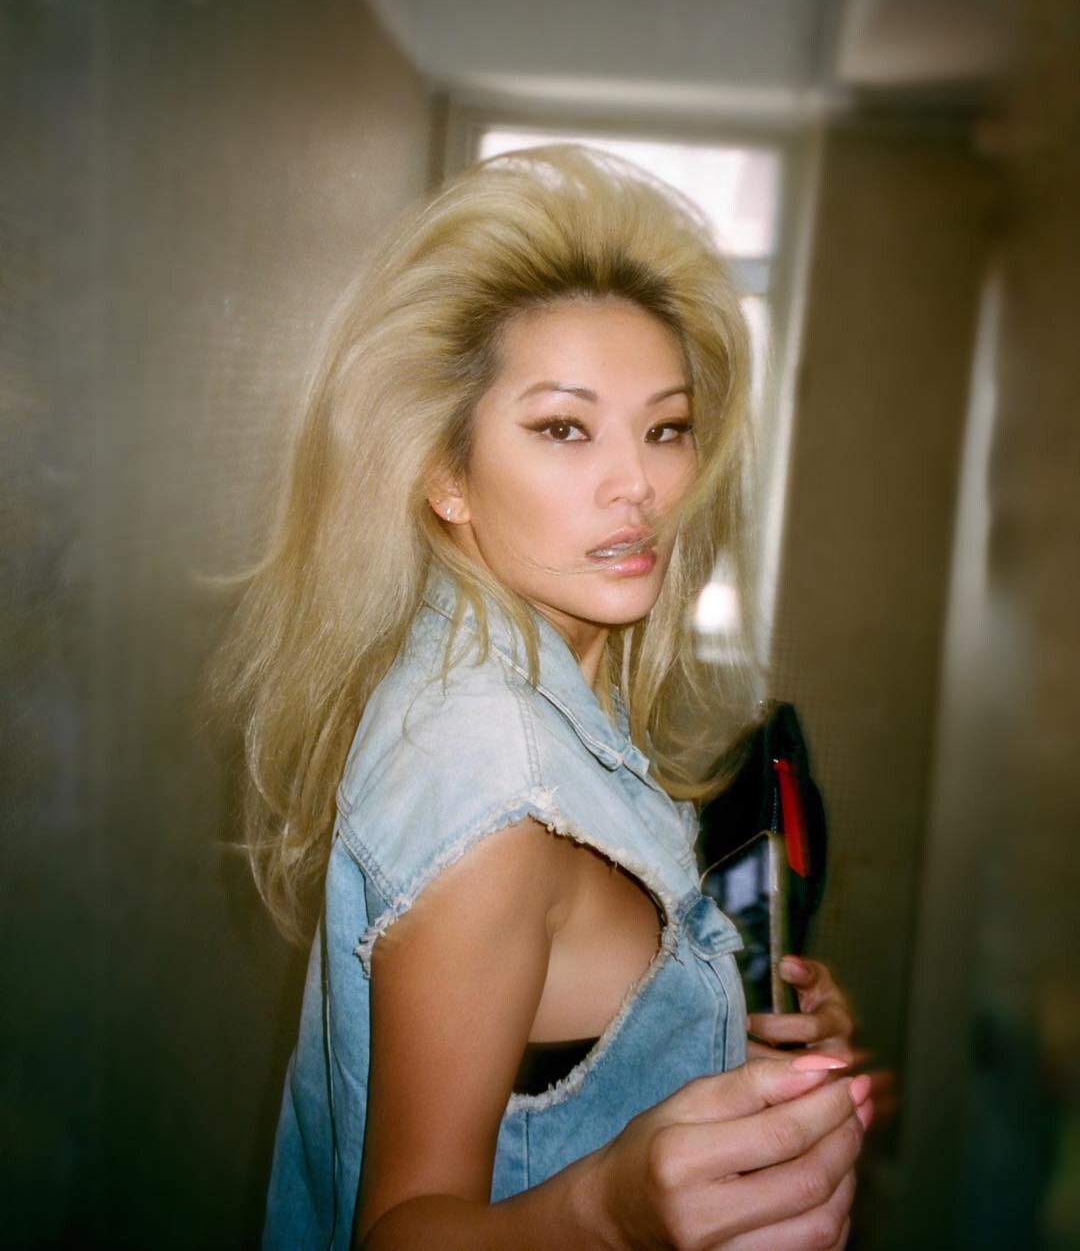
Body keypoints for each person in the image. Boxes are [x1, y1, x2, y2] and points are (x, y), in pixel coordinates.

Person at [214, 145, 867, 1249]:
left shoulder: (523, 676)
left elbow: (552, 1052)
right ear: (446, 474)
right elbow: (401, 1229)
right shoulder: (499, 796)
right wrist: (615, 1207)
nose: (640, 485)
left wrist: (721, 1038)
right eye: (564, 428)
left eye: (665, 428)